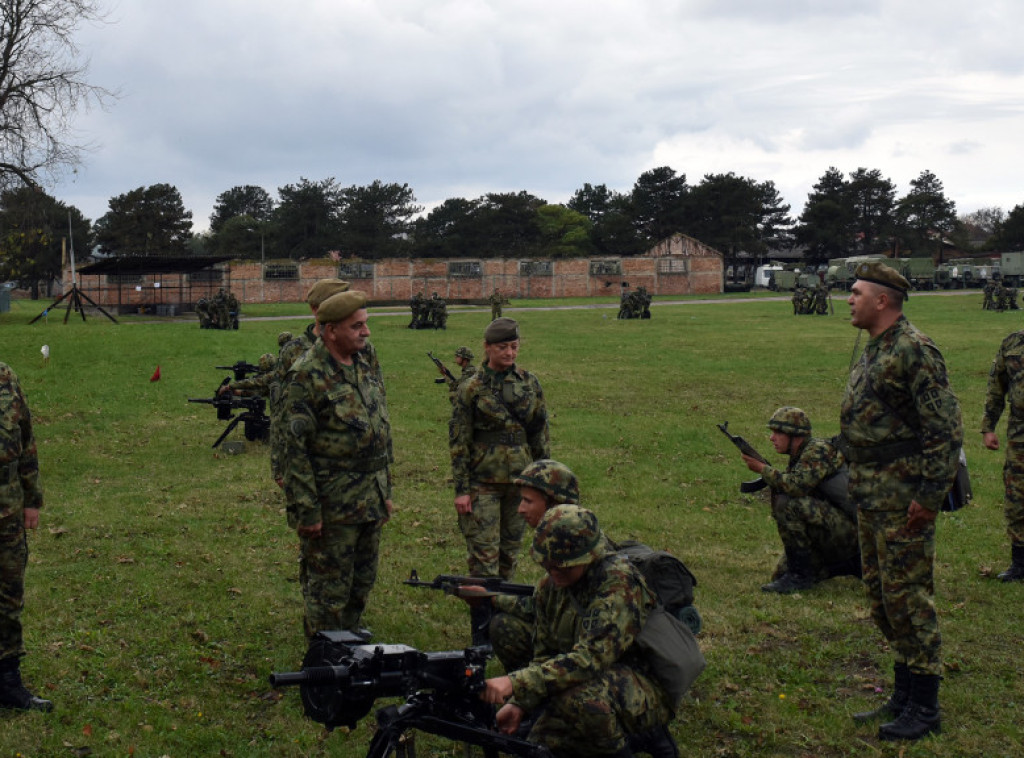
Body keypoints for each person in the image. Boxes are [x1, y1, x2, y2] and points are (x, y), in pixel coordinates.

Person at [840, 261, 962, 742]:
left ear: (882, 300)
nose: (848, 300)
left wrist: (929, 497)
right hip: (871, 496)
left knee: (909, 600)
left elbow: (944, 430)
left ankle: (926, 706)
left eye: (855, 293)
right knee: (882, 599)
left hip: (904, 498)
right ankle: (904, 692)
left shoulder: (914, 350)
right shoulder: (876, 348)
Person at [481, 505, 676, 758]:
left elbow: (590, 659)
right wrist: (520, 704)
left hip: (644, 683)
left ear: (588, 557)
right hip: (600, 675)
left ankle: (638, 739)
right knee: (540, 742)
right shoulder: (551, 585)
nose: (554, 573)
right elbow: (544, 652)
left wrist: (515, 683)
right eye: (548, 566)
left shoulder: (618, 585)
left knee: (580, 701)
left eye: (562, 567)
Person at [280, 290, 394, 638]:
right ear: (330, 331)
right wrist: (308, 510)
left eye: (365, 324)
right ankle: (324, 663)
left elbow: (380, 432)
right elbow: (295, 452)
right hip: (333, 505)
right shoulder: (306, 376)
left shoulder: (362, 367)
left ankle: (351, 640)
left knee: (361, 582)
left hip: (369, 499)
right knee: (328, 590)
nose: (365, 332)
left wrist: (385, 490)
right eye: (356, 326)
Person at [449, 317, 550, 643]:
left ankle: (502, 628)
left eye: (514, 347)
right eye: (503, 347)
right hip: (483, 483)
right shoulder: (472, 387)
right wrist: (462, 490)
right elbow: (459, 442)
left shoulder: (529, 383)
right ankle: (481, 636)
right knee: (483, 560)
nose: (509, 353)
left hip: (519, 484)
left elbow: (538, 432)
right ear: (488, 347)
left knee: (508, 556)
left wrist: (544, 480)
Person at [740, 407, 860, 594]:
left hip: (853, 532)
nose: (772, 438)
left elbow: (796, 487)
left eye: (778, 433)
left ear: (796, 436)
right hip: (836, 527)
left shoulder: (817, 451)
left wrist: (763, 469)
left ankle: (801, 576)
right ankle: (844, 566)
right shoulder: (801, 454)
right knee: (780, 575)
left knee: (790, 505)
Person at [0, 362, 52, 712]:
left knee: (9, 597)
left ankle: (7, 682)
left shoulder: (7, 378)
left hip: (8, 512)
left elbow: (27, 437)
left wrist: (32, 499)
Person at [981, 326, 1024, 582]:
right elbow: (996, 386)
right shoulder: (1012, 344)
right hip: (1020, 435)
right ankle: (1020, 564)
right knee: (1017, 498)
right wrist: (988, 427)